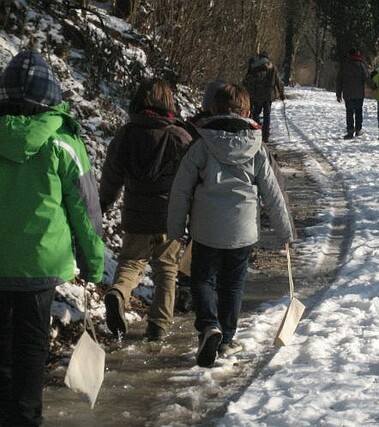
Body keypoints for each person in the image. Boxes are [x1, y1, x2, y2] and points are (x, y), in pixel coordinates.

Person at [0, 50, 105, 427]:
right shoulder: (63, 143)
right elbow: (86, 213)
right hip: (39, 266)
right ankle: (26, 418)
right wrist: (94, 263)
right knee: (30, 346)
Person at [167, 83, 295, 367]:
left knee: (202, 279)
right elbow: (272, 193)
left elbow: (180, 190)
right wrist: (285, 232)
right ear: (247, 111)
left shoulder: (200, 145)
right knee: (233, 285)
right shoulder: (256, 147)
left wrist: (175, 230)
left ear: (213, 108)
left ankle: (208, 325)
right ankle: (225, 338)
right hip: (243, 231)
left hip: (206, 229)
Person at [99, 78, 193, 341]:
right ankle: (158, 327)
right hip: (168, 217)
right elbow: (192, 179)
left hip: (135, 214)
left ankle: (118, 293)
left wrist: (102, 205)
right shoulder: (180, 138)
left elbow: (111, 177)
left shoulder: (125, 135)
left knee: (130, 263)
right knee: (166, 270)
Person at [242, 51, 285, 143]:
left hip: (257, 95)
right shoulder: (273, 68)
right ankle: (266, 135)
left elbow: (248, 81)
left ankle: (257, 130)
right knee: (267, 115)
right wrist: (281, 94)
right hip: (269, 95)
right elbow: (278, 82)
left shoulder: (254, 67)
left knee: (256, 114)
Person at [336, 48, 375, 139]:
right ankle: (358, 130)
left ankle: (350, 131)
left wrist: (338, 93)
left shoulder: (345, 66)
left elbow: (339, 80)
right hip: (359, 94)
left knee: (349, 113)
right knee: (358, 112)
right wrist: (374, 86)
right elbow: (367, 78)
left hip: (348, 94)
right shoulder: (361, 65)